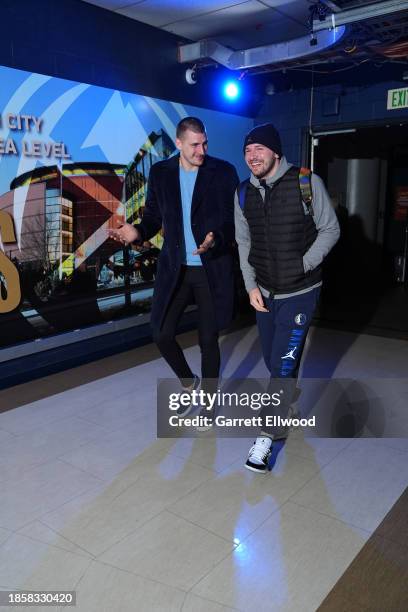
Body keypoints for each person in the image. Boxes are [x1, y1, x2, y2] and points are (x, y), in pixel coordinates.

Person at [110, 116, 238, 418]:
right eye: (194, 145)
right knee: (161, 333)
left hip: (210, 269)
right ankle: (188, 383)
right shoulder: (161, 173)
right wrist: (138, 232)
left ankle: (207, 404)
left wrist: (216, 238)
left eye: (205, 143)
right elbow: (153, 217)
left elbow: (235, 222)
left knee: (208, 340)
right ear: (179, 143)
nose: (201, 150)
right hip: (175, 269)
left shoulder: (223, 172)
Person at [235, 123, 340, 473]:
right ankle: (284, 402)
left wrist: (303, 264)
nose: (253, 156)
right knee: (274, 359)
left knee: (281, 366)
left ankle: (264, 440)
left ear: (276, 152)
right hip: (265, 293)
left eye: (259, 149)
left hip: (301, 293)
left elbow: (331, 229)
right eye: (248, 150)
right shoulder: (242, 193)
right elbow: (244, 243)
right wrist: (251, 286)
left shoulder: (306, 183)